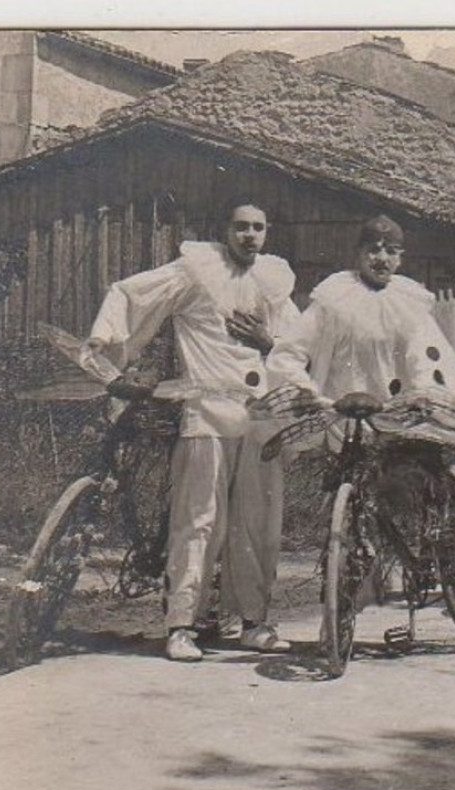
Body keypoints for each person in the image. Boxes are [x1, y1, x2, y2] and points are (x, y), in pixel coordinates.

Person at [80, 200, 300, 662]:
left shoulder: (273, 281)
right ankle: (182, 624)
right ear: (225, 230)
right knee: (199, 519)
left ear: (267, 233)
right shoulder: (196, 271)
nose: (250, 236)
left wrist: (269, 343)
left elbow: (299, 346)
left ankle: (253, 622)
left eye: (258, 228)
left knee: (257, 523)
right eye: (241, 227)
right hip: (205, 407)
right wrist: (105, 346)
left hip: (259, 415)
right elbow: (128, 292)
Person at [266, 215, 455, 538]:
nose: (381, 258)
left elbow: (425, 360)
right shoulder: (333, 300)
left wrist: (426, 394)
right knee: (370, 500)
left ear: (400, 258)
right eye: (373, 249)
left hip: (403, 411)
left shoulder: (407, 300)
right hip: (352, 417)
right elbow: (289, 353)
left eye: (390, 251)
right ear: (359, 253)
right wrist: (302, 388)